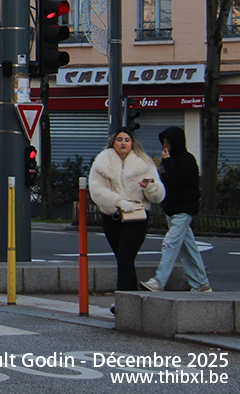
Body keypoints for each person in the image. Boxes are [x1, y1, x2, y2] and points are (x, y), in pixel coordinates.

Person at [88, 127, 166, 300]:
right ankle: (133, 300)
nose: (123, 143)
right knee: (124, 260)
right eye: (120, 139)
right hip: (112, 216)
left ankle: (122, 302)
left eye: (127, 140)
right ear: (113, 142)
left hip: (136, 217)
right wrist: (119, 202)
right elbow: (96, 189)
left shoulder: (144, 163)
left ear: (132, 143)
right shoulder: (102, 161)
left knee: (125, 258)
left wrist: (150, 187)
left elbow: (158, 195)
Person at [140, 127, 213, 292]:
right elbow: (166, 182)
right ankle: (201, 283)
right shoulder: (170, 161)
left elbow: (178, 180)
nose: (165, 146)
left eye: (168, 142)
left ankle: (159, 281)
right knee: (188, 248)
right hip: (172, 209)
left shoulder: (187, 160)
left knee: (170, 243)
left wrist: (167, 162)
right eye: (164, 142)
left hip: (183, 209)